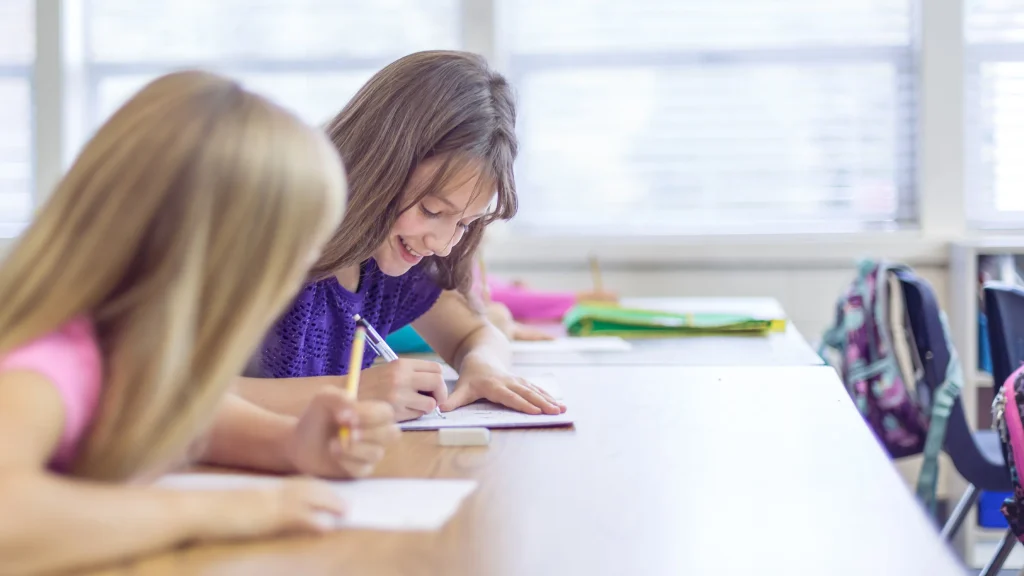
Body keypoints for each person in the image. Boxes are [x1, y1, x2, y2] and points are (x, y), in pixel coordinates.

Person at [0, 71, 398, 575]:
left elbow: (191, 420)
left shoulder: (121, 354)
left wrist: (294, 446)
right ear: (220, 258)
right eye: (296, 254)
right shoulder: (47, 362)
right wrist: (223, 511)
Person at [240, 51, 567, 422]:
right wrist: (352, 391)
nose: (442, 244)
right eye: (431, 211)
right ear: (379, 162)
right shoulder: (270, 237)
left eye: (463, 224)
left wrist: (484, 366)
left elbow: (475, 331)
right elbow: (170, 395)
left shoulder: (392, 264)